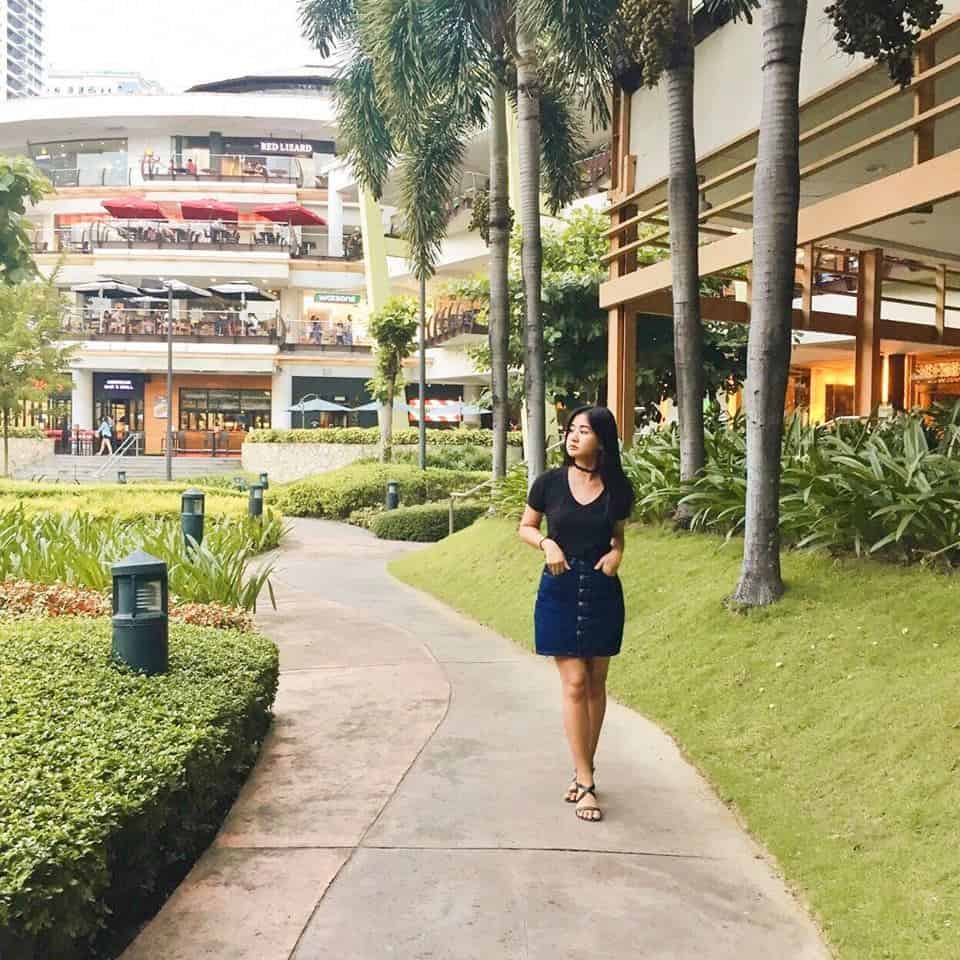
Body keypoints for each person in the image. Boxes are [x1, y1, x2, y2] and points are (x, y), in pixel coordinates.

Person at [518, 406, 635, 824]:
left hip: (602, 590)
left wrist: (617, 554)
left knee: (596, 683)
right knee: (576, 682)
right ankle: (586, 781)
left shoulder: (618, 488)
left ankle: (583, 767)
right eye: (571, 430)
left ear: (601, 439)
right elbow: (526, 527)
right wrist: (546, 544)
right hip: (560, 588)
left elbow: (617, 537)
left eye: (583, 431)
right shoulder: (549, 483)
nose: (572, 437)